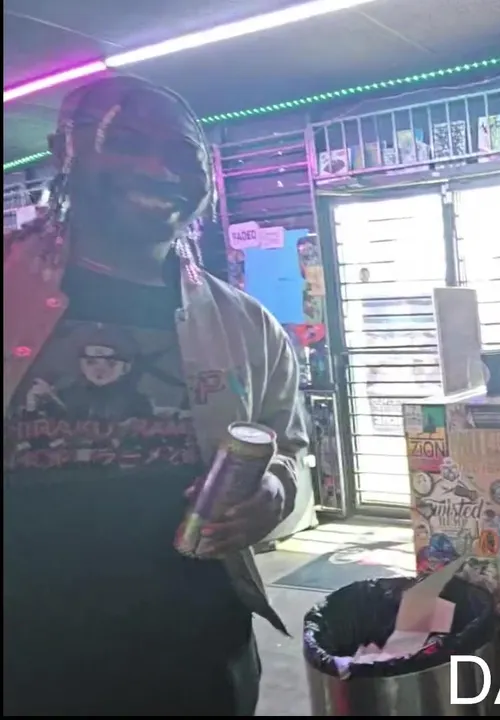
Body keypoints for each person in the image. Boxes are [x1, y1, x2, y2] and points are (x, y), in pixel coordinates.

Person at [2, 75, 310, 715]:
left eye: (182, 155)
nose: (158, 169)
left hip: (195, 651)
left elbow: (290, 451)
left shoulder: (245, 325)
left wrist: (276, 492)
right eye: (127, 142)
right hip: (26, 652)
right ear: (63, 152)